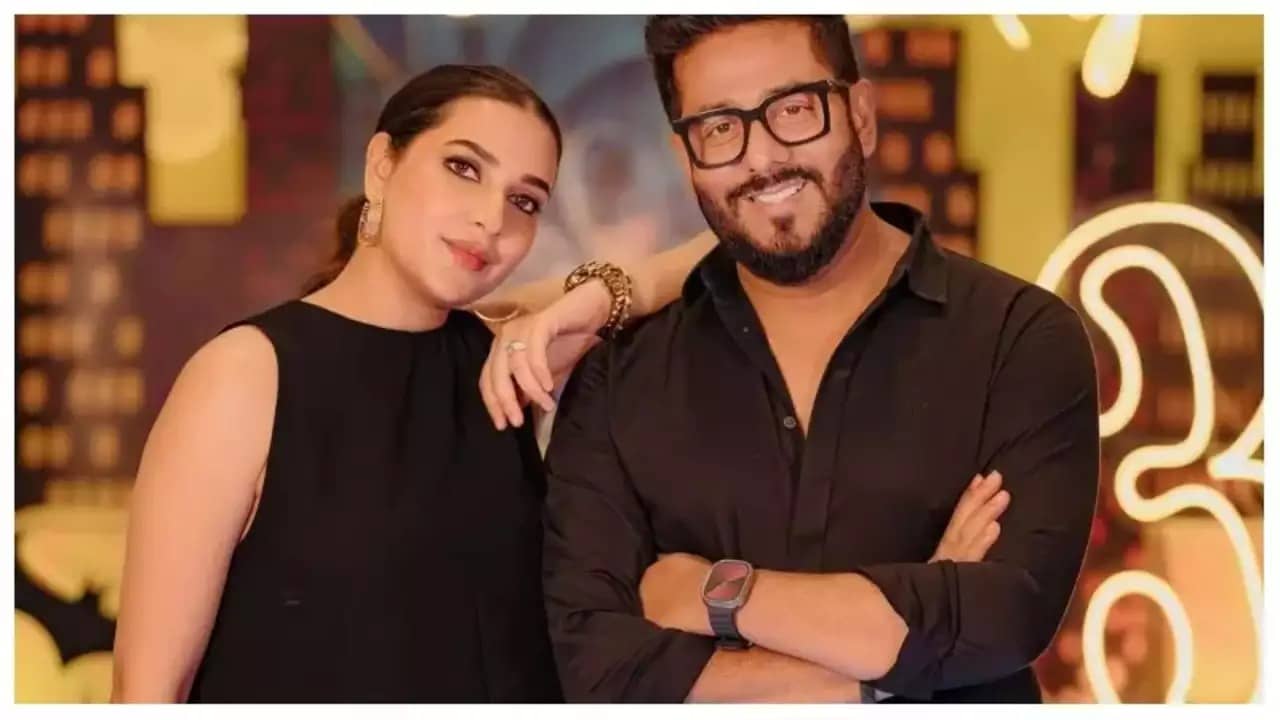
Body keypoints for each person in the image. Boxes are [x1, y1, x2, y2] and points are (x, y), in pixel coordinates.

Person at [111, 63, 716, 702]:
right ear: (382, 164)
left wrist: (603, 293)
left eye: (525, 201)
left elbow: (729, 253)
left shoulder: (502, 354)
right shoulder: (245, 374)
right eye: (463, 167)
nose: (492, 219)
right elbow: (148, 690)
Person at [541, 15, 1101, 703]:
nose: (762, 157)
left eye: (793, 109)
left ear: (860, 115)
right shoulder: (619, 376)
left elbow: (1000, 620)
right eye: (719, 126)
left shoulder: (1019, 340)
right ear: (685, 156)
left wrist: (715, 593)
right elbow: (600, 670)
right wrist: (887, 667)